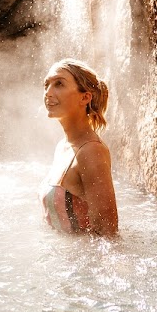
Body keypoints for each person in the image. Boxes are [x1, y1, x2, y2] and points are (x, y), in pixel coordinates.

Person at [39, 59, 118, 236]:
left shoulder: (91, 151)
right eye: (46, 84)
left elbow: (107, 234)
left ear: (85, 97)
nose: (48, 92)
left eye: (59, 84)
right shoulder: (63, 146)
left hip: (82, 262)